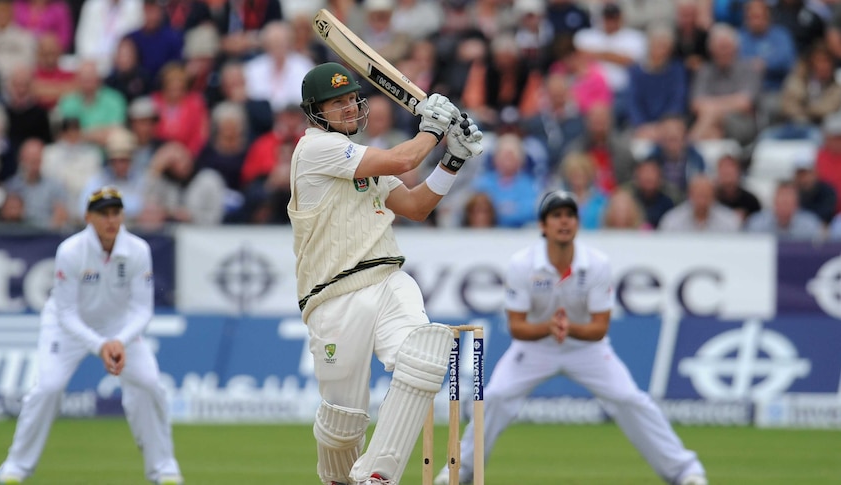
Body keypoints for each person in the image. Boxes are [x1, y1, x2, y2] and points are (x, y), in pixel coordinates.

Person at [288, 62, 483, 485]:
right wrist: (432, 129)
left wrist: (453, 158)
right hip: (333, 295)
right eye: (336, 103)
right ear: (315, 113)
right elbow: (403, 158)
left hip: (388, 279)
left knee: (425, 356)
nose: (348, 109)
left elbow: (416, 206)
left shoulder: (362, 161)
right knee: (344, 428)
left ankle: (378, 476)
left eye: (350, 100)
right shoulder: (315, 149)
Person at [434, 191, 708, 485]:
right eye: (556, 216)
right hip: (535, 346)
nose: (564, 221)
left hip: (585, 348)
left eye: (569, 215)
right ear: (543, 225)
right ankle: (460, 472)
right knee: (496, 397)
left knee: (630, 399)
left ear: (577, 223)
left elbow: (599, 328)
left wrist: (569, 329)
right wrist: (549, 328)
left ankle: (684, 471)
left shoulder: (596, 263)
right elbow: (517, 327)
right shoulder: (523, 264)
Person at [0, 186, 184, 485]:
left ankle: (163, 467)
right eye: (103, 214)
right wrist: (101, 345)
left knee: (148, 384)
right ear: (88, 217)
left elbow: (142, 310)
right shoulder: (71, 251)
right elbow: (66, 312)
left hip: (120, 329)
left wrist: (118, 341)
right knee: (48, 388)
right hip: (67, 327)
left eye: (116, 213)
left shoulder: (137, 250)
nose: (111, 220)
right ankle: (16, 467)